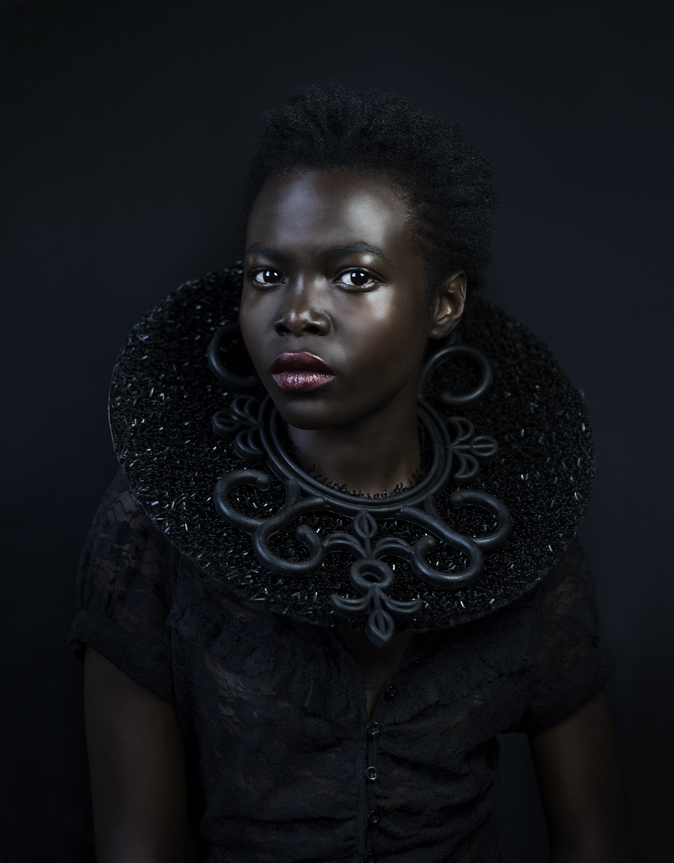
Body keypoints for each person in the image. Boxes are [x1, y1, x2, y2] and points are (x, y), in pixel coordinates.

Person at [71, 83, 631, 862]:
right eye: (267, 275)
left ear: (445, 303)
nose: (296, 312)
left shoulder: (520, 523)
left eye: (354, 277)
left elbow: (597, 840)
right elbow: (137, 846)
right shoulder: (154, 521)